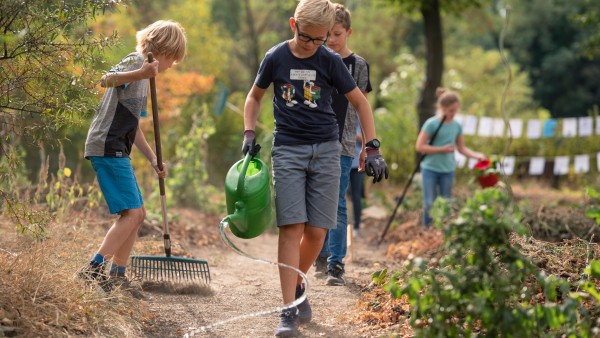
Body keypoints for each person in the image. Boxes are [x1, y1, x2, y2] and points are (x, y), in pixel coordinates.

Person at [241, 0, 388, 336]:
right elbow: (254, 96)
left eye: (320, 40)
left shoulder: (330, 60)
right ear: (293, 25)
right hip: (288, 150)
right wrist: (249, 131)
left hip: (326, 150)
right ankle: (288, 310)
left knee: (318, 231)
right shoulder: (276, 57)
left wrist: (373, 147)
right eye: (307, 38)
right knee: (292, 227)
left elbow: (360, 102)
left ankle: (296, 285)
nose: (313, 45)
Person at [79, 20, 187, 297]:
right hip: (106, 144)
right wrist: (141, 72)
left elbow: (134, 126)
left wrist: (154, 159)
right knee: (133, 213)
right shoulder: (136, 61)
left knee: (138, 214)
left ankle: (118, 275)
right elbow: (105, 79)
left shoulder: (143, 77)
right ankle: (92, 268)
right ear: (163, 49)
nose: (170, 66)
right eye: (172, 60)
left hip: (118, 146)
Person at [314, 3, 372, 287]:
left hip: (345, 142)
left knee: (336, 202)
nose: (332, 40)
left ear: (348, 32)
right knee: (315, 199)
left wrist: (367, 146)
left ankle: (337, 263)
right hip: (315, 139)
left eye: (337, 33)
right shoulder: (317, 57)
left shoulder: (358, 65)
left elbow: (363, 106)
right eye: (328, 34)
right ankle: (320, 255)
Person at [415, 87, 486, 229]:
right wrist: (441, 149)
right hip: (430, 168)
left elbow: (461, 148)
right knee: (429, 202)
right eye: (451, 110)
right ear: (442, 107)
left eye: (455, 110)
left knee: (446, 202)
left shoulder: (456, 126)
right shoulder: (432, 124)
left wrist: (476, 155)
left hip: (447, 170)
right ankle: (427, 230)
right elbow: (420, 146)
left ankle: (442, 232)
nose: (453, 113)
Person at [349, 122, 366, 238]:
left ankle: (357, 226)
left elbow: (366, 138)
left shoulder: (359, 117)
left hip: (357, 163)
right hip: (340, 161)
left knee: (356, 196)